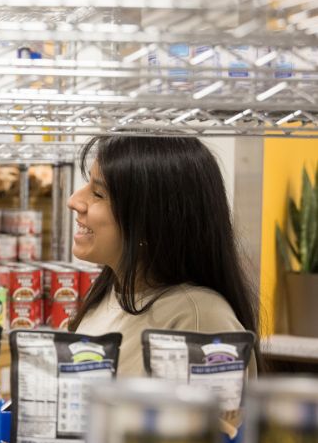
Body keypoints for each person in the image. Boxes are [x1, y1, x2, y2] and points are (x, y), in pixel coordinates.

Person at [67, 135, 262, 383]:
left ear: (150, 219)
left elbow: (213, 422)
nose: (73, 201)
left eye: (98, 193)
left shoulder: (200, 318)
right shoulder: (111, 291)